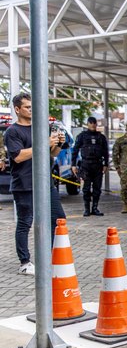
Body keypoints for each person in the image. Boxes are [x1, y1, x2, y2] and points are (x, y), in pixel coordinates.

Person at [5, 92, 68, 276]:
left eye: (32, 106)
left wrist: (58, 144)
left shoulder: (41, 128)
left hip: (45, 183)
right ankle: (24, 262)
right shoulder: (13, 131)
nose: (31, 110)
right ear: (17, 109)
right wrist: (44, 143)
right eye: (27, 107)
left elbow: (52, 154)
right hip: (24, 184)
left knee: (58, 219)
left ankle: (51, 257)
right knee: (25, 222)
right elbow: (18, 157)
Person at [72, 116, 109, 217]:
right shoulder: (82, 136)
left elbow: (105, 152)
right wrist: (73, 165)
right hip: (86, 165)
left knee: (97, 188)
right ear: (87, 124)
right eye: (91, 123)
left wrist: (106, 164)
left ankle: (95, 208)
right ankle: (87, 209)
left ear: (96, 124)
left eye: (94, 123)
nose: (93, 125)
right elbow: (75, 150)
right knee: (86, 189)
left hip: (97, 165)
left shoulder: (101, 137)